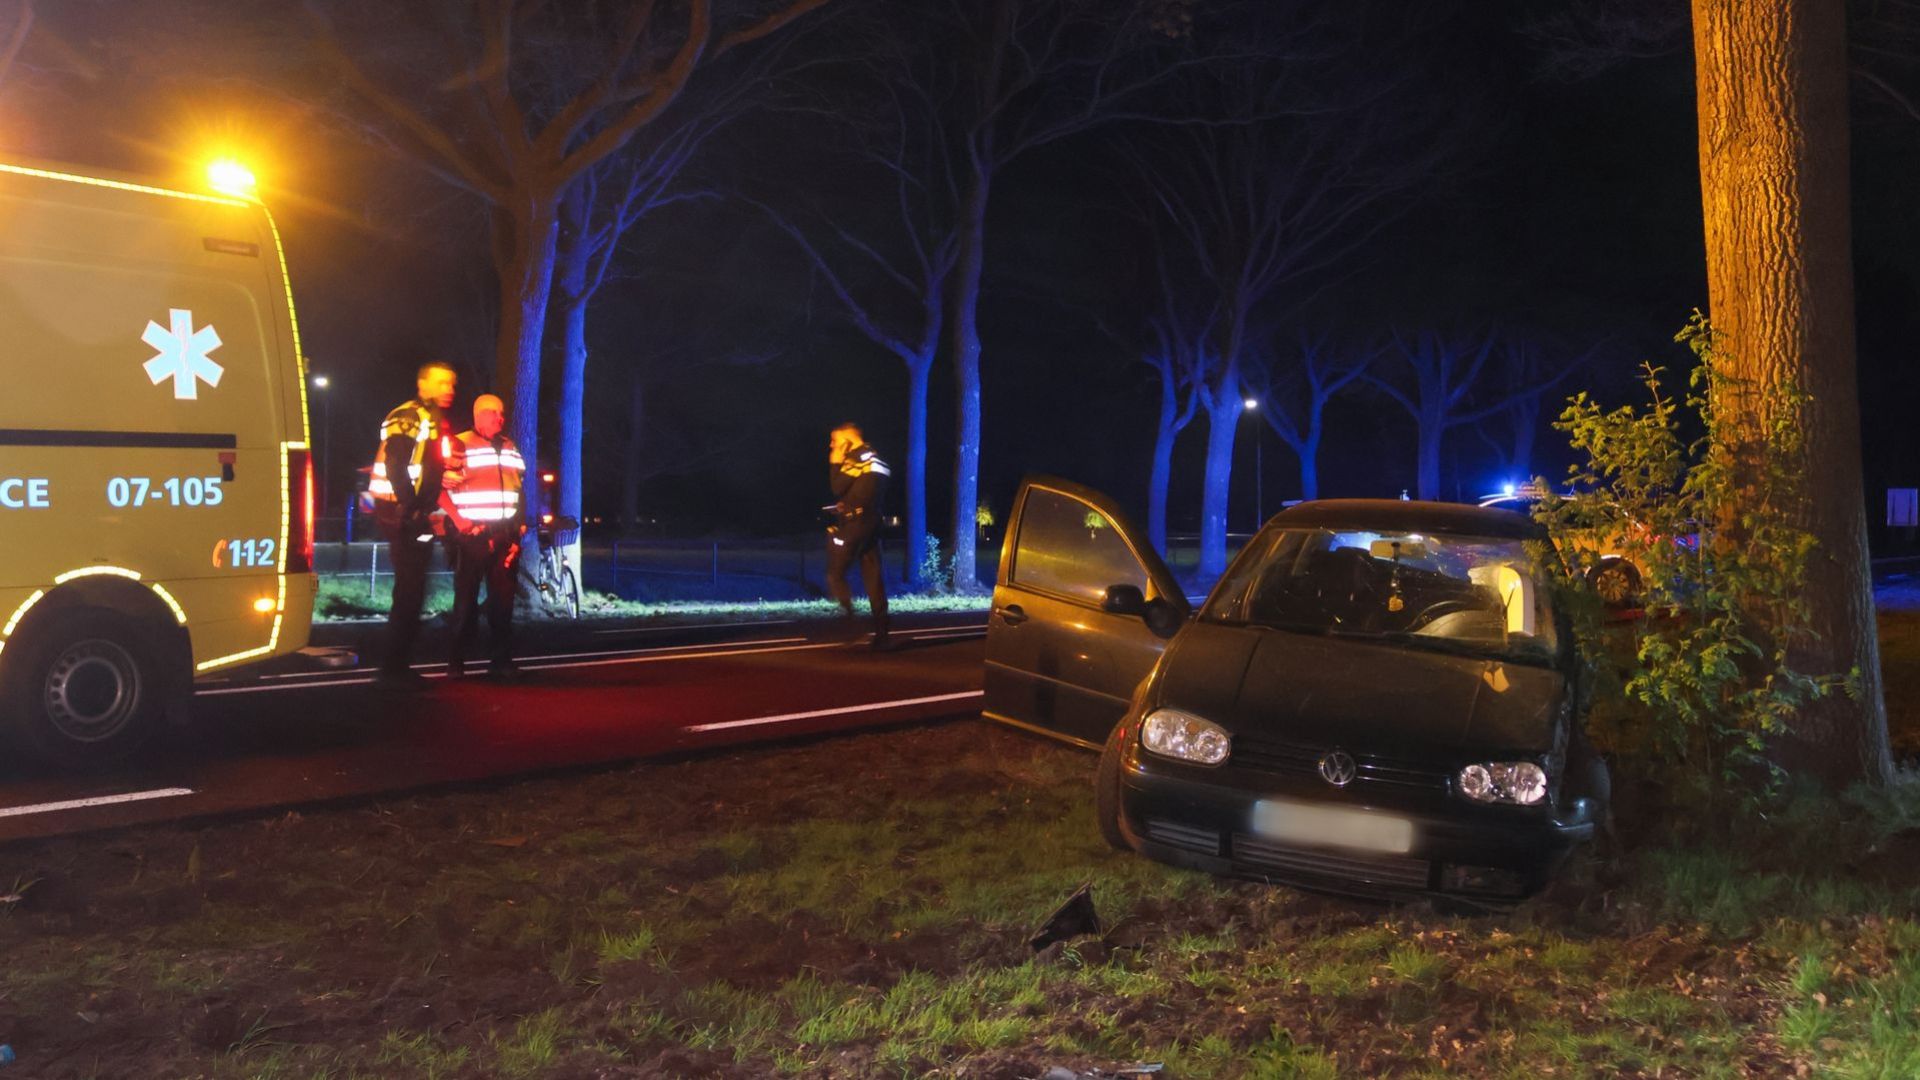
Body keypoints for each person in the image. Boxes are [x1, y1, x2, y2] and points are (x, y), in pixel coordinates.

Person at [369, 361, 458, 689]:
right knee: (409, 589)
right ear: (422, 385)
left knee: (413, 588)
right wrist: (411, 508)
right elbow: (396, 463)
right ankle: (392, 669)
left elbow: (424, 466)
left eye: (452, 384)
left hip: (411, 513)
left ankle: (397, 665)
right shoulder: (409, 415)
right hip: (401, 514)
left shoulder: (432, 419)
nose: (449, 389)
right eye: (442, 383)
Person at [443, 394, 525, 680]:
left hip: (504, 535)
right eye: (494, 413)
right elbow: (440, 488)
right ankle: (456, 662)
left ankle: (501, 660)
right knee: (465, 601)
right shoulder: (459, 443)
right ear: (478, 415)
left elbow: (518, 490)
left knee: (503, 602)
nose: (500, 419)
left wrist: (519, 526)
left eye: (501, 414)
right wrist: (458, 519)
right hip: (472, 536)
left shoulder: (510, 447)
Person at [825, 421, 891, 649]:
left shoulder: (856, 457)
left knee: (835, 574)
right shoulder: (876, 458)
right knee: (873, 579)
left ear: (848, 441)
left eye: (835, 441)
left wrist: (835, 461)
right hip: (873, 523)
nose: (832, 445)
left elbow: (837, 486)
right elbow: (866, 490)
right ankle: (882, 634)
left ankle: (853, 627)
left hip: (855, 525)